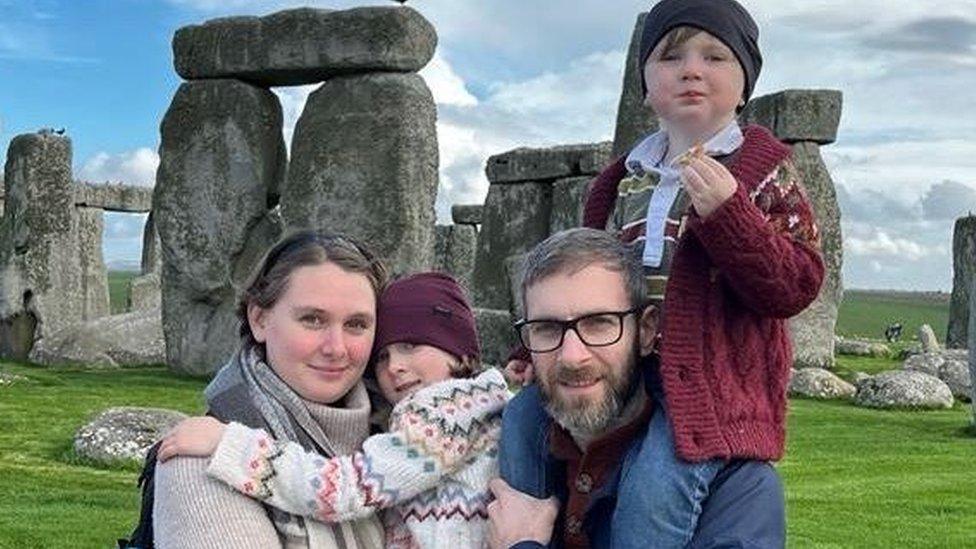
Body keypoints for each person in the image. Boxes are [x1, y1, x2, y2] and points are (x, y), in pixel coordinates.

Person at [500, 0, 825, 545]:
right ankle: (528, 529)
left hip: (709, 384)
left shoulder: (764, 172)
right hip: (621, 362)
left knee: (651, 492)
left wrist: (731, 217)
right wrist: (539, 346)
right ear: (645, 86)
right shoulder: (622, 180)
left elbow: (796, 284)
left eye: (715, 56)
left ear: (745, 84)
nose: (692, 69)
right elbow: (577, 279)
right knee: (522, 419)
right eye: (671, 57)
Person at [158, 272, 510, 549]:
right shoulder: (485, 408)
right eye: (382, 355)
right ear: (258, 318)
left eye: (410, 345)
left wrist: (233, 445)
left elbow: (347, 488)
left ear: (461, 352)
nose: (394, 367)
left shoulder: (441, 414)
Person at [495, 228, 796, 548]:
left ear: (647, 331)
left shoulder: (738, 492)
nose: (572, 357)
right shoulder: (491, 450)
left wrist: (521, 544)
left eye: (599, 323)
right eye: (547, 329)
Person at [152, 231, 389, 549]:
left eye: (357, 324)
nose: (337, 348)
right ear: (259, 319)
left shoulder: (402, 441)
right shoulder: (202, 460)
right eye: (313, 319)